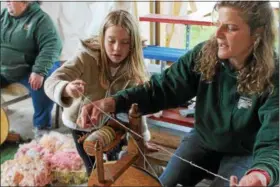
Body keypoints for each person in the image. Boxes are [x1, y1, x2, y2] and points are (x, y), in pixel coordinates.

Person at [78, 1, 279, 186]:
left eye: (231, 28)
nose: (217, 33)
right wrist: (112, 102)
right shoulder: (204, 55)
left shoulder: (274, 75)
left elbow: (274, 139)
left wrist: (261, 174)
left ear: (257, 33)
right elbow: (161, 89)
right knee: (163, 184)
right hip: (203, 140)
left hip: (245, 153)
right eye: (218, 23)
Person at [44, 10, 154, 176]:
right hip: (80, 124)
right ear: (102, 38)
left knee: (114, 165)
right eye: (111, 41)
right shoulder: (85, 57)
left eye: (125, 42)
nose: (117, 48)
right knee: (94, 171)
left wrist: (142, 139)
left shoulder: (132, 69)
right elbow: (51, 82)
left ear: (133, 44)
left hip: (111, 124)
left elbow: (136, 106)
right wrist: (66, 88)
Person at [0, 1, 62, 136]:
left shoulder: (41, 20)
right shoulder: (3, 16)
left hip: (29, 69)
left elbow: (52, 46)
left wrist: (39, 70)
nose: (6, 1)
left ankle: (42, 127)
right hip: (4, 69)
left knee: (44, 79)